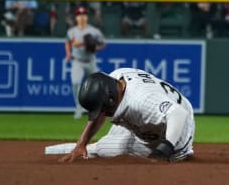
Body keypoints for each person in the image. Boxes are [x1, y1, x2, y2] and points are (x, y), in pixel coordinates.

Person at [52, 69, 195, 162]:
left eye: (102, 109)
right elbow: (101, 112)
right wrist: (81, 143)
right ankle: (82, 148)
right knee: (121, 121)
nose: (102, 113)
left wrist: (164, 149)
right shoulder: (116, 79)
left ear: (111, 99)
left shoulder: (141, 101)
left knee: (105, 148)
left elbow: (178, 113)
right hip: (161, 110)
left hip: (179, 131)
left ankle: (92, 149)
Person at [65, 6, 106, 119]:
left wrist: (96, 47)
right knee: (75, 82)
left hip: (90, 61)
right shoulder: (72, 31)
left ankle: (97, 107)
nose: (81, 17)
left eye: (83, 15)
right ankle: (79, 107)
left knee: (98, 84)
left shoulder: (94, 31)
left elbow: (103, 43)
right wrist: (68, 53)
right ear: (76, 18)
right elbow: (70, 43)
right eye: (79, 15)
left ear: (87, 17)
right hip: (77, 61)